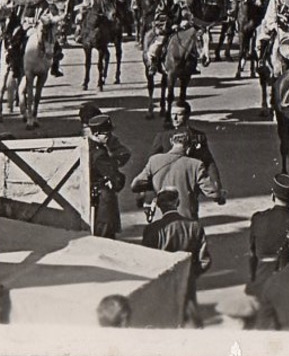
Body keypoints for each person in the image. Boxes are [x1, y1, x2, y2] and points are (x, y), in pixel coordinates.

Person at [141, 188, 213, 327]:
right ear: (178, 202)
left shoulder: (152, 229)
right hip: (187, 281)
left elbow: (146, 259)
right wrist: (191, 274)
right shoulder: (194, 226)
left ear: (159, 206)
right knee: (189, 322)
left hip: (161, 282)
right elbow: (204, 260)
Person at [130, 126, 223, 221]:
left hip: (162, 218)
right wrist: (220, 195)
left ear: (172, 142)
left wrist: (155, 186)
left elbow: (135, 185)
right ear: (189, 148)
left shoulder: (154, 160)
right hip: (187, 218)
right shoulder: (195, 165)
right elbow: (213, 192)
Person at [248, 173, 289, 285]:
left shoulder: (258, 218)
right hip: (286, 280)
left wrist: (253, 278)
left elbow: (252, 252)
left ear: (273, 195)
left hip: (261, 276)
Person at [85, 113, 130, 239]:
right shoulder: (100, 154)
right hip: (103, 200)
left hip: (92, 196)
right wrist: (119, 178)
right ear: (95, 134)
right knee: (106, 234)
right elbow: (116, 180)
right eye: (106, 134)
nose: (109, 137)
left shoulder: (88, 146)